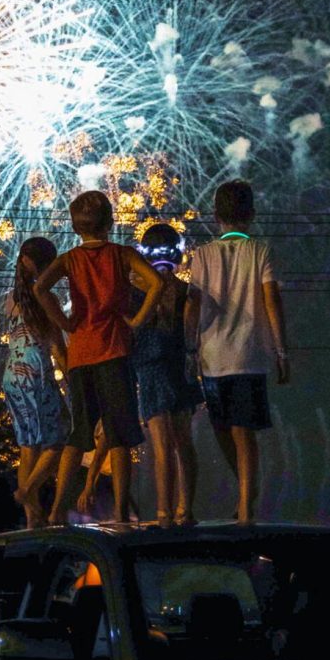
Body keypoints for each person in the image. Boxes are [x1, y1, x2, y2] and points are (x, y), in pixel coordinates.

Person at [34, 190, 163, 524]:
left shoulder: (69, 259)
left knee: (79, 435)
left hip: (80, 355)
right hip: (115, 351)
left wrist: (64, 324)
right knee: (119, 436)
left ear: (77, 227)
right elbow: (156, 284)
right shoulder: (122, 255)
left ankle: (56, 509)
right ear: (110, 221)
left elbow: (39, 289)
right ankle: (121, 511)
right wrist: (137, 320)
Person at [184, 180, 290, 524]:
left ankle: (245, 501)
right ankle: (247, 494)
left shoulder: (203, 255)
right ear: (252, 215)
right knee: (241, 431)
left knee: (225, 429)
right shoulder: (260, 251)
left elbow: (194, 304)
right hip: (249, 355)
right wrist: (281, 351)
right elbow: (272, 299)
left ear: (216, 216)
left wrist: (188, 346)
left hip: (211, 357)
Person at [129, 223, 203, 527]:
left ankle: (163, 513)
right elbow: (192, 333)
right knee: (184, 441)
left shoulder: (135, 292)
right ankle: (186, 509)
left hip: (150, 369)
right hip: (181, 370)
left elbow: (131, 328)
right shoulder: (188, 292)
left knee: (160, 445)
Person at [2, 236, 70, 528]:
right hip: (35, 374)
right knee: (58, 438)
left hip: (11, 376)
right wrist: (71, 379)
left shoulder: (12, 299)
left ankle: (32, 519)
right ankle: (27, 491)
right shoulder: (46, 297)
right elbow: (56, 346)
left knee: (28, 445)